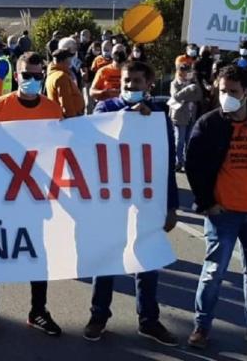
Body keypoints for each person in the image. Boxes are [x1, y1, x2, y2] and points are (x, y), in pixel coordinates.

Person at [184, 64, 247, 354]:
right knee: (213, 272)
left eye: (233, 91)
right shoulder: (208, 124)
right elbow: (194, 167)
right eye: (222, 90)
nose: (226, 96)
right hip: (223, 214)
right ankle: (202, 326)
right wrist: (206, 203)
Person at [0, 52, 64, 337]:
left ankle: (38, 310)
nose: (31, 80)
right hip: (2, 194)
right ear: (17, 75)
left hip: (36, 194)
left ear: (43, 76)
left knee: (38, 253)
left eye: (37, 76)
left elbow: (62, 150)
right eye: (26, 75)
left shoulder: (52, 109)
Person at [85, 60, 179, 347]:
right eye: (127, 81)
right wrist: (128, 115)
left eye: (136, 82)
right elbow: (96, 138)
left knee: (146, 259)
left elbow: (166, 163)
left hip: (146, 199)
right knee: (107, 258)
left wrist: (171, 205)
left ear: (148, 85)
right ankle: (98, 316)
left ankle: (148, 320)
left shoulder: (160, 116)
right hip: (111, 197)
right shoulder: (106, 109)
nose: (130, 86)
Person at [169, 60, 203, 172]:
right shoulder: (174, 83)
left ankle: (187, 162)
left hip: (191, 115)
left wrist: (194, 83)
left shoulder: (192, 82)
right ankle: (178, 162)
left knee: (189, 140)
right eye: (183, 71)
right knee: (179, 140)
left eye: (187, 71)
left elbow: (198, 97)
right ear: (179, 72)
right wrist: (188, 89)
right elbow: (176, 97)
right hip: (179, 116)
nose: (185, 73)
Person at [45, 48, 85, 118]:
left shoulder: (51, 74)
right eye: (70, 59)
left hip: (60, 117)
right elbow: (66, 103)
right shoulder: (62, 77)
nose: (71, 61)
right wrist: (73, 119)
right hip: (71, 119)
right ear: (64, 60)